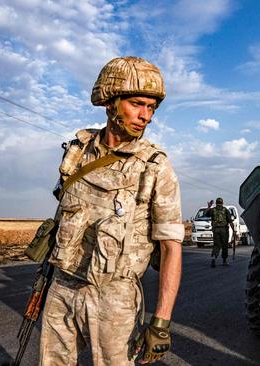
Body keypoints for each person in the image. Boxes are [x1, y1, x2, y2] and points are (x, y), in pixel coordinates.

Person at [40, 57, 184, 365]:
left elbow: (171, 247)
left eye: (151, 108)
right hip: (63, 284)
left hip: (114, 296)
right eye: (137, 104)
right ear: (110, 103)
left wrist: (161, 323)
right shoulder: (78, 151)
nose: (145, 116)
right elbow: (62, 214)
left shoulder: (155, 166)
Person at [205, 197, 236, 267]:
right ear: (222, 203)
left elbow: (206, 214)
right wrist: (234, 230)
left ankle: (214, 258)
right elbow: (230, 222)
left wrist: (209, 207)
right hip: (224, 230)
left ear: (216, 203)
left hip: (216, 230)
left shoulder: (213, 210)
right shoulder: (225, 210)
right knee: (225, 245)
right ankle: (224, 261)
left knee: (216, 245)